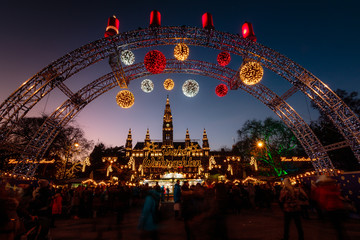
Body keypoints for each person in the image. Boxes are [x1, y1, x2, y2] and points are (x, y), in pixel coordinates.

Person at [315, 175, 347, 240]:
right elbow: (338, 195)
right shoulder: (334, 187)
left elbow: (322, 200)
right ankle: (342, 236)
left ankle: (341, 237)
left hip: (330, 208)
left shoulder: (322, 189)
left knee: (336, 225)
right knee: (339, 225)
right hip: (338, 207)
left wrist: (323, 206)